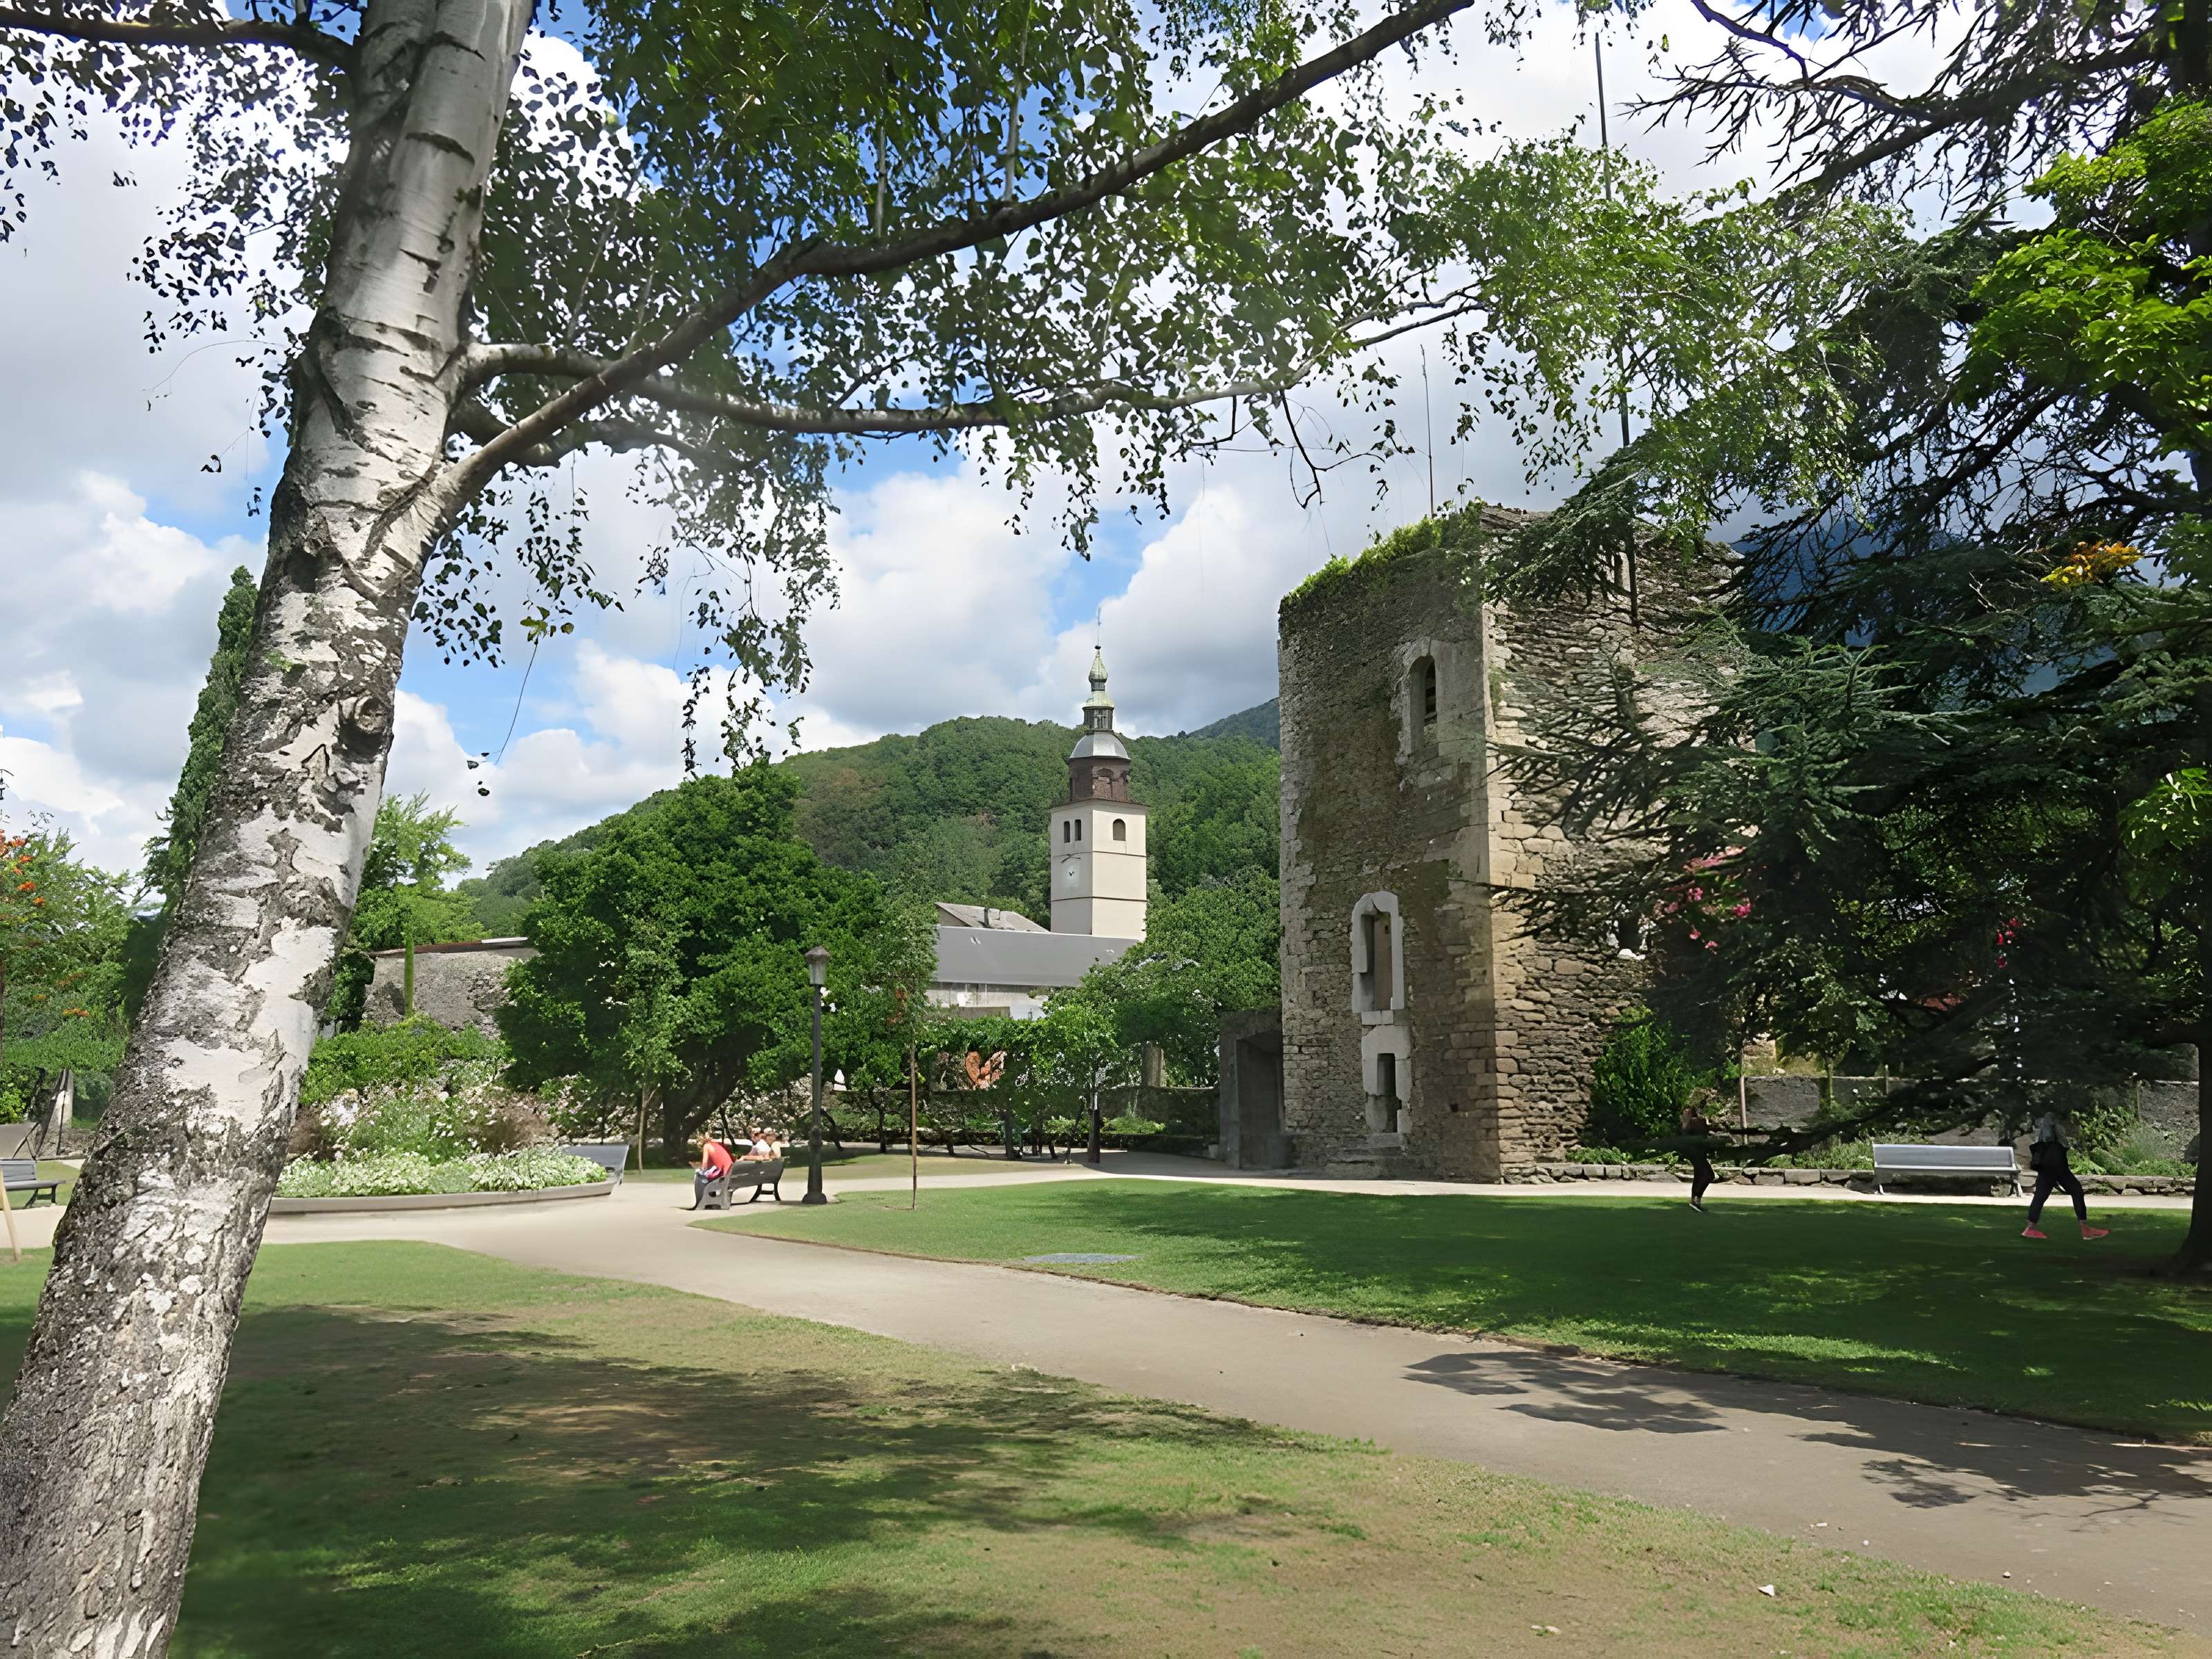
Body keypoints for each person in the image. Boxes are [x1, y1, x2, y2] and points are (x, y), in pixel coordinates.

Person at [2023, 1109, 2109, 1241]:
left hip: (2048, 1166)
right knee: (2076, 1190)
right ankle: (2085, 1229)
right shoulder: (2051, 1119)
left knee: (2041, 1195)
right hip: (2056, 1164)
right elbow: (2053, 1138)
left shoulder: (2041, 1122)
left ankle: (2031, 1227)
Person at [1679, 1097, 1721, 1213]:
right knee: (1709, 1175)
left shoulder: (1689, 1123)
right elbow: (1705, 1135)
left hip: (1695, 1153)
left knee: (1699, 1175)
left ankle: (1696, 1201)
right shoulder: (1697, 1122)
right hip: (1697, 1153)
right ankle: (1696, 1200)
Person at [691, 1134, 735, 1208]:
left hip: (725, 1176)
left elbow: (705, 1166)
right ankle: (710, 1199)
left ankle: (701, 1202)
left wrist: (697, 1167)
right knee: (707, 1175)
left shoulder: (707, 1146)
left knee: (699, 1176)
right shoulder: (716, 1145)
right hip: (730, 1173)